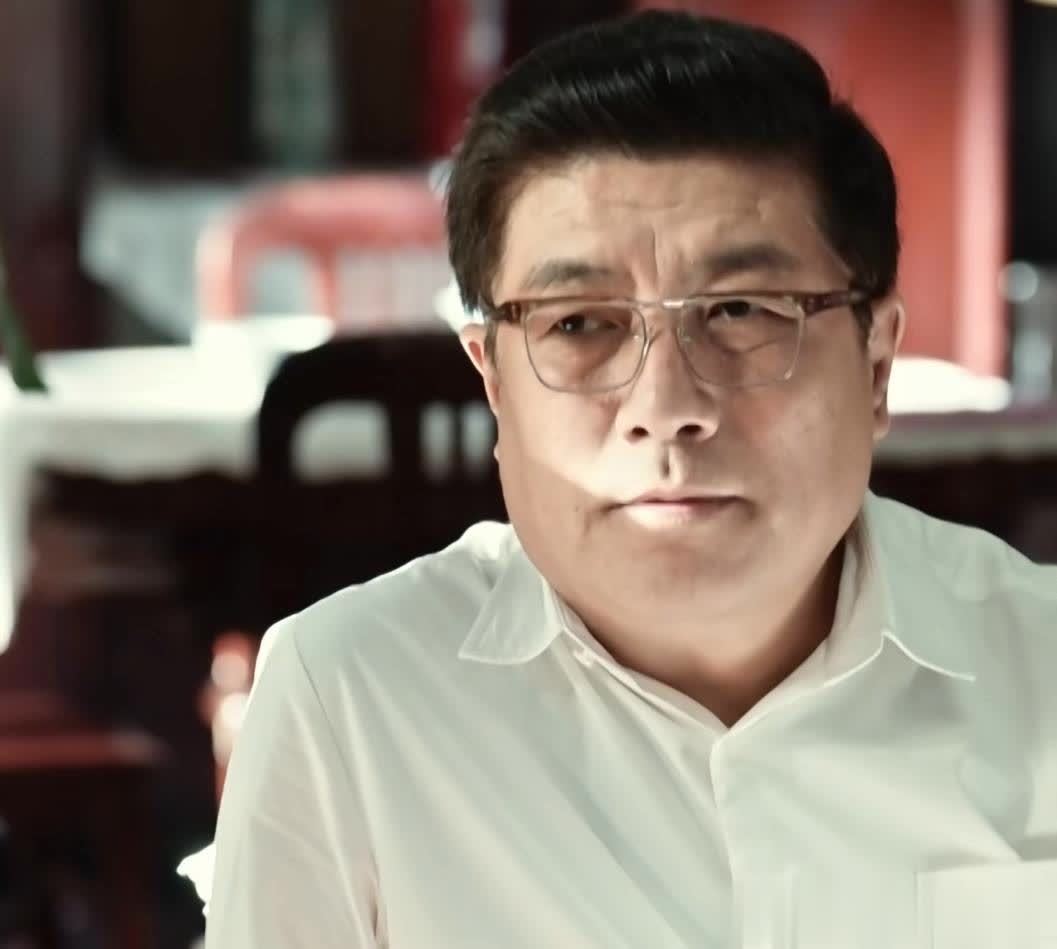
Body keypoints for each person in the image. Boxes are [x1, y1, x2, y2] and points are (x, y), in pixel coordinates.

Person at [203, 11, 1057, 948]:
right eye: (577, 323)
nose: (666, 404)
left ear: (877, 360)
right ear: (495, 384)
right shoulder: (350, 702)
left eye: (741, 309)